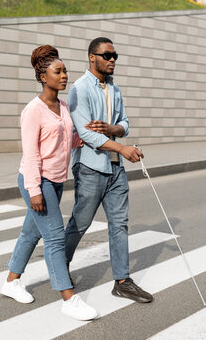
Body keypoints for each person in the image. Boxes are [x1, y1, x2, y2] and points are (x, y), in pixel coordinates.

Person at [1, 45, 98, 321]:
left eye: (65, 70)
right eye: (58, 71)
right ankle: (68, 298)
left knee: (31, 234)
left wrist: (92, 133)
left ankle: (10, 281)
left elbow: (70, 140)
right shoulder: (33, 110)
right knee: (55, 237)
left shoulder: (64, 106)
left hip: (55, 181)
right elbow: (30, 153)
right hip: (37, 180)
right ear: (44, 76)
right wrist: (34, 190)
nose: (65, 75)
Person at [65, 37, 153, 303]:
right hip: (90, 167)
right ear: (92, 57)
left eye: (115, 56)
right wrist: (122, 148)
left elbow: (124, 123)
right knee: (80, 223)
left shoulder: (115, 89)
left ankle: (122, 281)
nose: (113, 60)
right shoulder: (79, 89)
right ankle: (60, 265)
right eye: (107, 55)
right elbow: (87, 134)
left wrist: (113, 129)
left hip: (116, 170)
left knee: (119, 225)